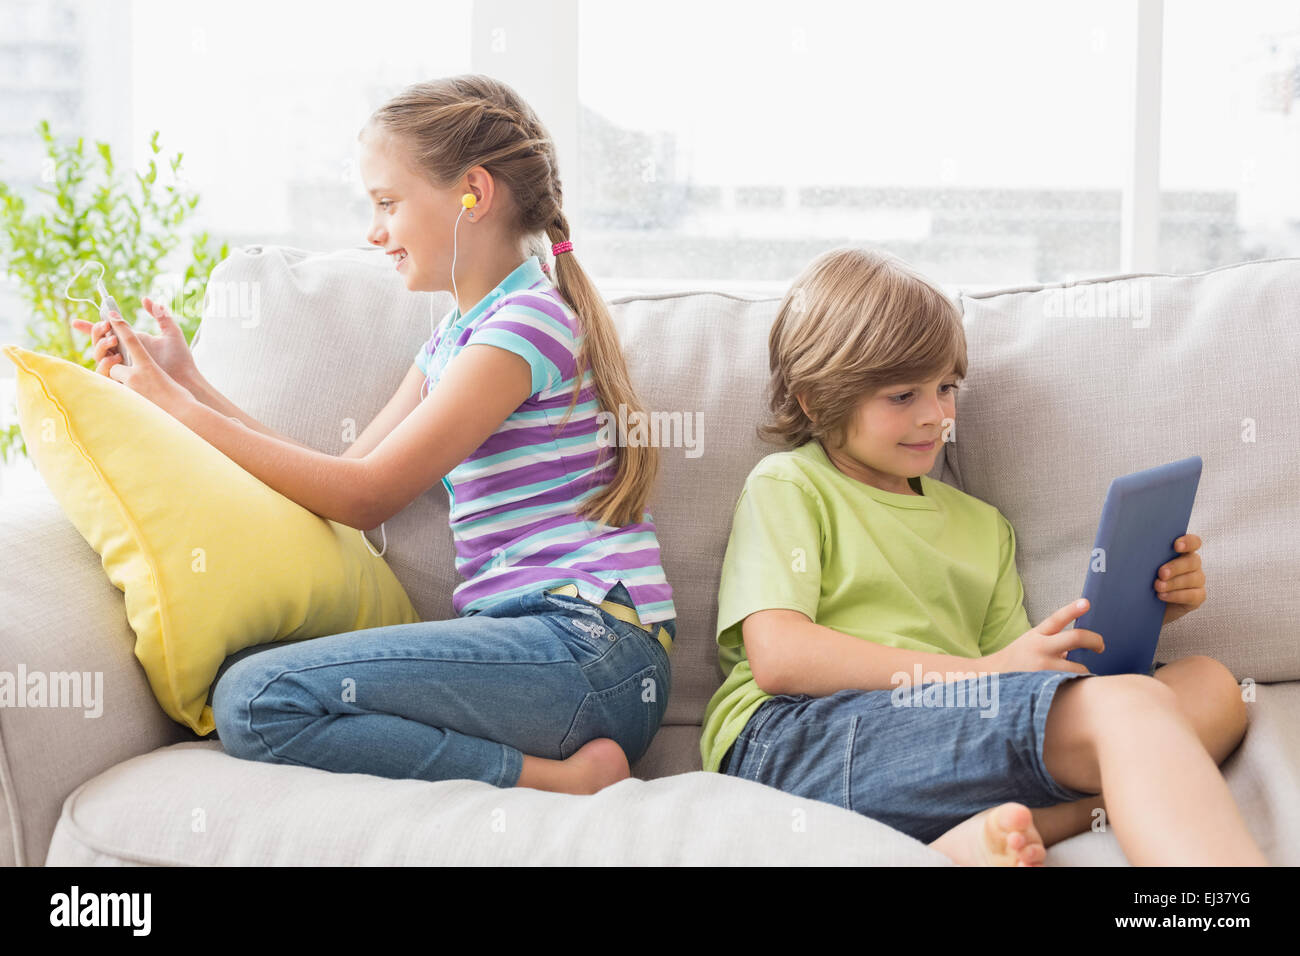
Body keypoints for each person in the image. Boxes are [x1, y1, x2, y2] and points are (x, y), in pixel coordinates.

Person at [79, 74, 675, 795]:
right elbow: (343, 476)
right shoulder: (458, 339)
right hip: (554, 654)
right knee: (252, 696)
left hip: (590, 651)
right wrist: (187, 383)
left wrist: (173, 404)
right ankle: (552, 771)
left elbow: (366, 498)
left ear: (473, 195)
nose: (374, 232)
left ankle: (554, 780)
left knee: (254, 699)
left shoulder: (526, 326)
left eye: (388, 203)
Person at [699, 245, 1267, 865]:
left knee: (1211, 687)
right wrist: (986, 674)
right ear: (815, 398)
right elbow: (780, 657)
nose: (935, 416)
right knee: (1129, 709)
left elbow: (1027, 683)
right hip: (800, 738)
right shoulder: (792, 484)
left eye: (945, 388)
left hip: (948, 727)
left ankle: (983, 834)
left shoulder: (983, 528)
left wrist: (1145, 610)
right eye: (901, 396)